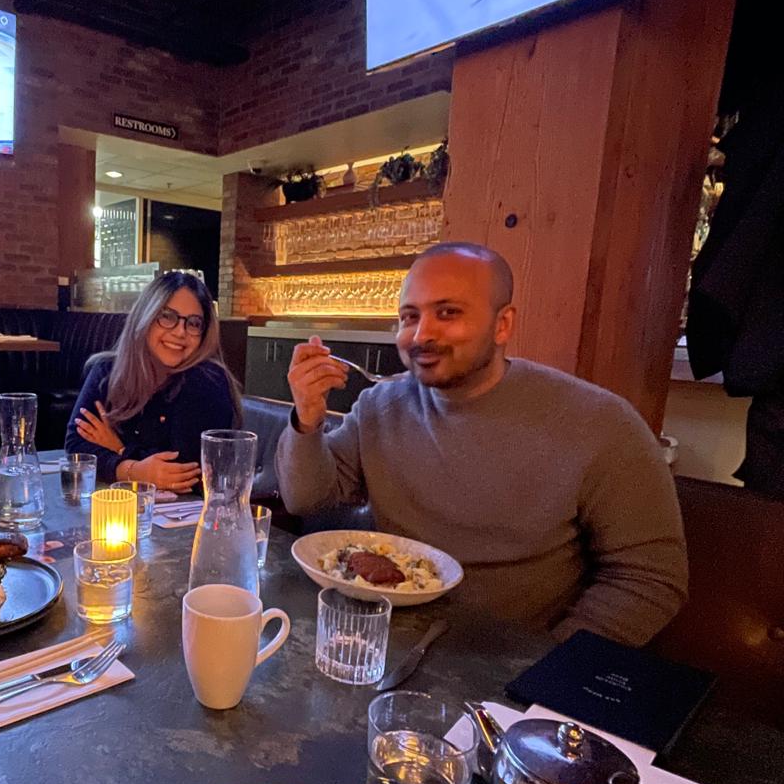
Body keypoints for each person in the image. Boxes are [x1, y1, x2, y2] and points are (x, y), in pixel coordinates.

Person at [278, 242, 687, 646]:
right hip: (387, 642)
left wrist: (547, 664)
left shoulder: (598, 423)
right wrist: (307, 421)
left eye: (448, 313)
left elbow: (650, 578)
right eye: (409, 316)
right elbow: (309, 500)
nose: (422, 334)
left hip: (512, 666)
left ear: (502, 324)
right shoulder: (380, 406)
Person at [65, 270, 240, 491]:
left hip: (189, 516)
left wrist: (120, 450)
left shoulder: (207, 380)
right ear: (145, 317)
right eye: (167, 316)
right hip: (121, 507)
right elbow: (75, 447)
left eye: (194, 323)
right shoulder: (107, 371)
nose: (180, 331)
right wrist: (135, 469)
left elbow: (183, 472)